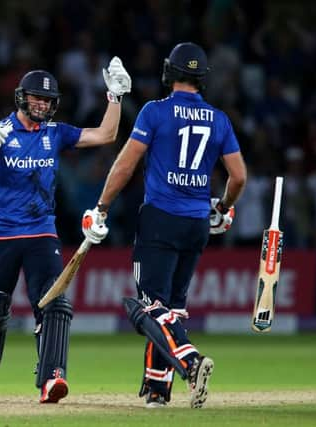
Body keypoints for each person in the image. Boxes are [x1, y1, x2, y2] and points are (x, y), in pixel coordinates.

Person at [81, 42, 247, 408]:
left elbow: (125, 166)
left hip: (160, 219)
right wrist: (221, 207)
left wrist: (101, 207)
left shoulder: (154, 112)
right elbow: (238, 176)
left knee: (147, 306)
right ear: (203, 79)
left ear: (169, 72)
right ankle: (157, 391)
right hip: (197, 224)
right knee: (171, 308)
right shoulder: (219, 119)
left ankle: (190, 361)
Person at [0, 57, 131, 404]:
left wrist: (115, 97)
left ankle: (52, 378)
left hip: (41, 234)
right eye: (37, 98)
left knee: (54, 304)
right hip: (1, 235)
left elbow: (106, 135)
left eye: (48, 101)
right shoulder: (1, 131)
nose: (43, 105)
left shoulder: (56, 133)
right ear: (22, 98)